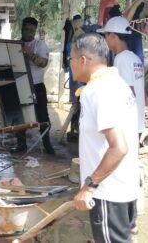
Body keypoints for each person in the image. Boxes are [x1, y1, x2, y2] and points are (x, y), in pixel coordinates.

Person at [71, 33, 139, 242]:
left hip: (108, 193)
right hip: (123, 186)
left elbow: (118, 148)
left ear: (82, 60)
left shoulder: (98, 90)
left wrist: (89, 186)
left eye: (71, 59)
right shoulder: (116, 83)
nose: (71, 64)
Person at [97, 15, 144, 235]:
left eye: (106, 35)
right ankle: (131, 220)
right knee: (130, 170)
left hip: (125, 123)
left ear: (113, 36)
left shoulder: (121, 60)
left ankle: (128, 221)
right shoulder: (134, 58)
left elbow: (127, 92)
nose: (106, 40)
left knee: (123, 172)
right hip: (135, 122)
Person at [10, 17, 54, 154]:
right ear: (22, 29)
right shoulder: (15, 44)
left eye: (31, 30)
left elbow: (43, 63)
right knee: (19, 117)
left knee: (42, 116)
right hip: (19, 85)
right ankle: (21, 144)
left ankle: (47, 144)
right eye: (26, 29)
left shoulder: (39, 45)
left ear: (35, 31)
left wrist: (28, 52)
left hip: (37, 86)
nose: (28, 32)